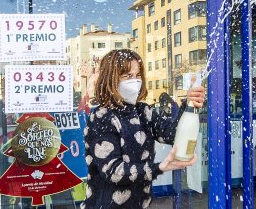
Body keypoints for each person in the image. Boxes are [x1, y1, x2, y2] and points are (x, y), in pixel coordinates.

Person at [81, 49, 205, 208]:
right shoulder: (102, 116)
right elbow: (114, 172)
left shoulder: (143, 111)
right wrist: (159, 167)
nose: (135, 81)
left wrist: (188, 103)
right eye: (127, 76)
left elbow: (172, 134)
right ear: (110, 79)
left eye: (138, 75)